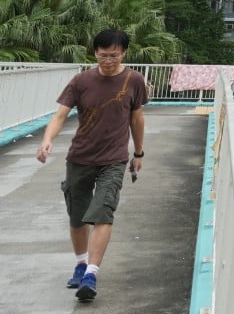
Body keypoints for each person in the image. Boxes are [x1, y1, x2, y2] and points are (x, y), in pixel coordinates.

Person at [35, 29, 150, 303]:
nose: (108, 60)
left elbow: (137, 119)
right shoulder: (81, 81)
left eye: (113, 55)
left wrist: (139, 153)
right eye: (102, 55)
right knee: (77, 217)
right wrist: (46, 140)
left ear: (123, 53)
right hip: (80, 157)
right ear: (94, 52)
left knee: (103, 213)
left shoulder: (133, 80)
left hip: (114, 159)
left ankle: (91, 274)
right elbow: (60, 114)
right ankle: (80, 264)